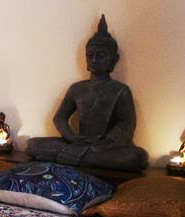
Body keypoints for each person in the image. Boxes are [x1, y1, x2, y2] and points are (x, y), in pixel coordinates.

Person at [26, 15, 148, 172]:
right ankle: (81, 156)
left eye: (101, 55)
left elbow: (126, 125)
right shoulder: (77, 88)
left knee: (137, 157)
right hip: (79, 142)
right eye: (90, 55)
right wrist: (72, 138)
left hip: (105, 147)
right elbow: (60, 118)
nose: (94, 60)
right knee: (32, 144)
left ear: (114, 60)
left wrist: (103, 143)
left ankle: (76, 157)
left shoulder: (120, 90)